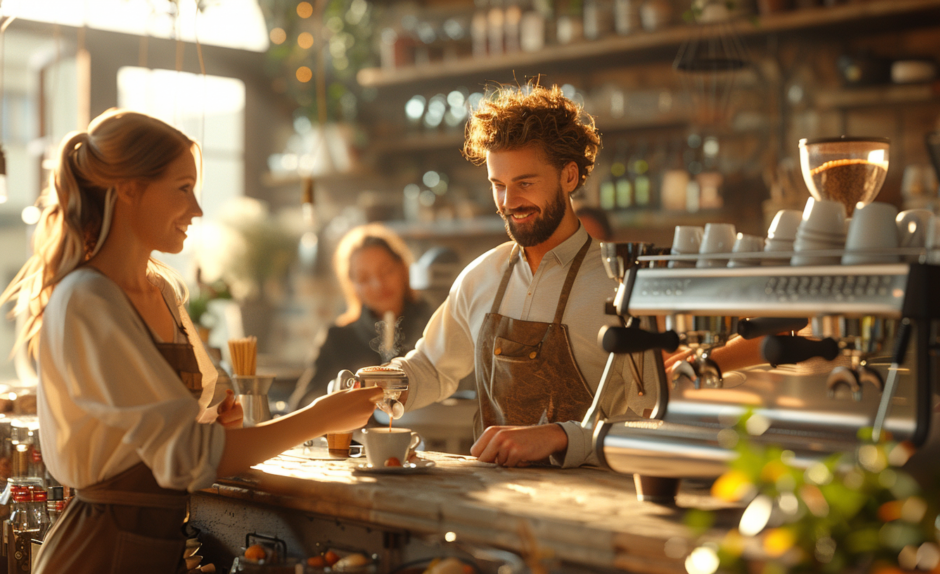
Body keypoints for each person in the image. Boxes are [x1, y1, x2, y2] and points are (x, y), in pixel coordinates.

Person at [0, 109, 381, 574]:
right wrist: (320, 418)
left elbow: (193, 420)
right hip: (100, 552)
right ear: (129, 190)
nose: (198, 209)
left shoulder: (163, 289)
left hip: (158, 546)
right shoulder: (86, 299)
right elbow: (187, 459)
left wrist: (219, 424)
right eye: (183, 188)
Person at [390, 84, 658, 468]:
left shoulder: (621, 285)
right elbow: (431, 368)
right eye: (498, 185)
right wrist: (386, 382)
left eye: (525, 183)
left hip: (592, 509)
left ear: (569, 176)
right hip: (491, 504)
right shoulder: (479, 277)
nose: (508, 202)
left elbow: (655, 422)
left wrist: (564, 436)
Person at [289, 224, 434, 410]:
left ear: (402, 268)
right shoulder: (337, 340)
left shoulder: (434, 326)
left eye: (386, 271)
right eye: (364, 278)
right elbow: (302, 406)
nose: (377, 284)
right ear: (352, 285)